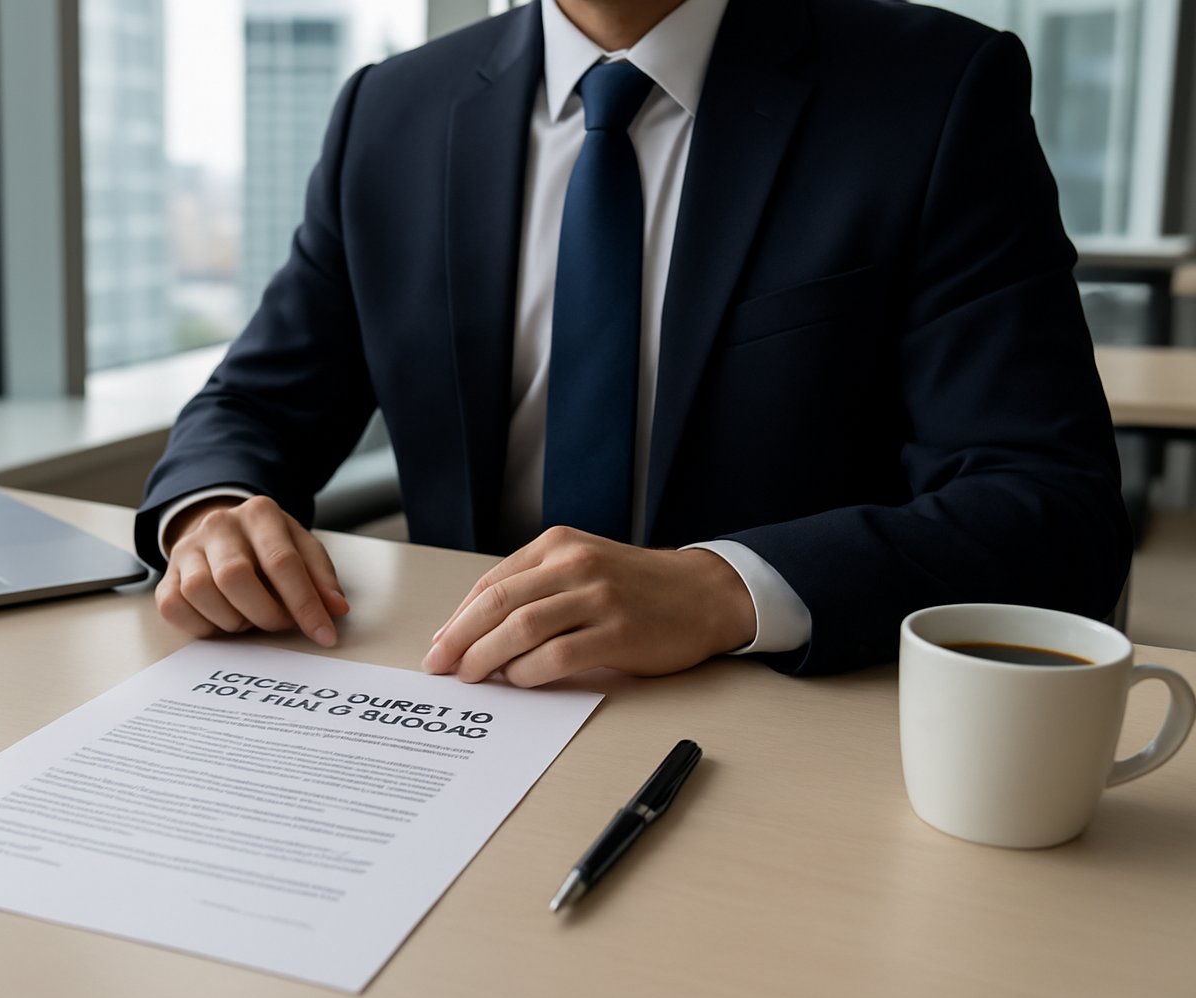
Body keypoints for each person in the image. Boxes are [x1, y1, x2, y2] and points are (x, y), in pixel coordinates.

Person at [135, 0, 1130, 683]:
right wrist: (212, 511)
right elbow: (255, 403)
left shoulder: (932, 91)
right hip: (458, 699)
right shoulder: (391, 111)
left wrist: (721, 590)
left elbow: (1050, 504)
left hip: (779, 718)